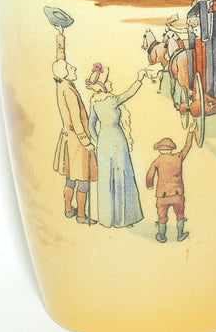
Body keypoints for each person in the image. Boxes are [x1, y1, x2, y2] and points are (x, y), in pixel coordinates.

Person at [87, 64, 146, 228]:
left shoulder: (95, 104)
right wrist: (139, 80)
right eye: (108, 81)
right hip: (117, 139)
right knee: (122, 175)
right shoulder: (112, 101)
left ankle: (109, 218)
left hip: (104, 141)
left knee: (107, 177)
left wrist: (97, 140)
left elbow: (91, 126)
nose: (111, 83)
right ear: (103, 86)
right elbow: (129, 93)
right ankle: (124, 218)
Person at [51, 25, 98, 225]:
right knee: (82, 180)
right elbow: (77, 121)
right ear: (65, 73)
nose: (74, 69)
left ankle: (68, 209)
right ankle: (81, 215)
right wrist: (87, 143)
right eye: (71, 69)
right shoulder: (69, 91)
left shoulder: (61, 84)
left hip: (67, 140)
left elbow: (60, 60)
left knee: (70, 178)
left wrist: (60, 36)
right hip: (77, 142)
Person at [145, 123, 196, 243]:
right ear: (171, 149)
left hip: (162, 196)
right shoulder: (178, 157)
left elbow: (150, 175)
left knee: (162, 217)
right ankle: (180, 235)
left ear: (160, 149)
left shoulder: (157, 161)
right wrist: (190, 132)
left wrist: (150, 185)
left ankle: (162, 236)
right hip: (177, 194)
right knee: (180, 215)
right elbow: (187, 147)